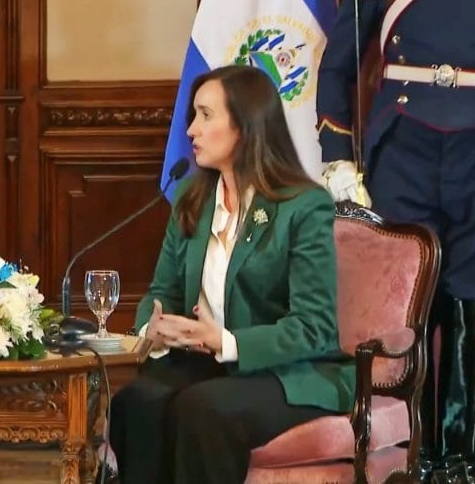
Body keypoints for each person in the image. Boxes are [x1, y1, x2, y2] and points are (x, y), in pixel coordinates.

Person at [108, 65, 354, 484]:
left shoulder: (303, 206)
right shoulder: (192, 198)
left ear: (245, 125)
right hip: (204, 365)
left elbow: (314, 327)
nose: (190, 130)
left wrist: (224, 340)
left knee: (204, 410)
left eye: (205, 115)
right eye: (193, 116)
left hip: (289, 372)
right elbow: (160, 291)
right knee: (136, 401)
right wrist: (157, 326)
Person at [316, 0, 475, 470]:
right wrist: (337, 153)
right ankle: (409, 451)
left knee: (471, 294)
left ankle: (459, 456)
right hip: (404, 148)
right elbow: (338, 63)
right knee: (406, 301)